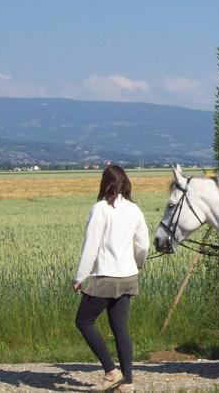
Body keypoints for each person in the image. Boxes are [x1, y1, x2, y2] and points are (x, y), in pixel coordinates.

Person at [73, 165, 149, 393]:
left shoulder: (100, 209)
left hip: (105, 277)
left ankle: (111, 371)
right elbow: (143, 245)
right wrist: (137, 264)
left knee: (83, 322)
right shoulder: (135, 210)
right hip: (128, 276)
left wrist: (79, 277)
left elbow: (91, 248)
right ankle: (128, 383)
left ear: (104, 183)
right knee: (120, 328)